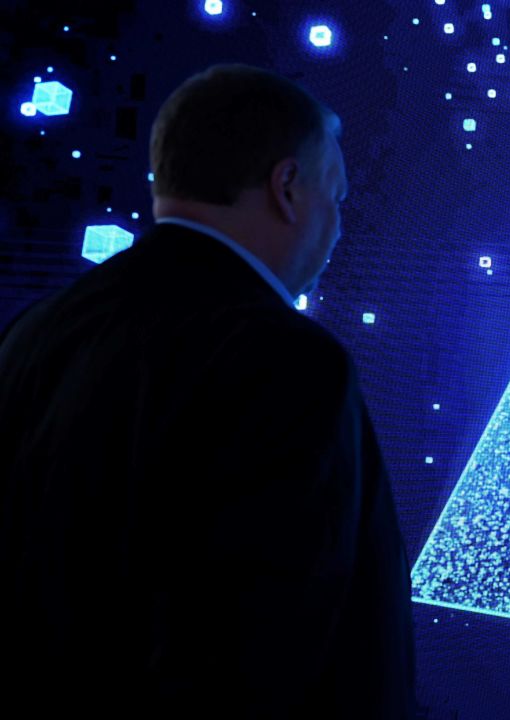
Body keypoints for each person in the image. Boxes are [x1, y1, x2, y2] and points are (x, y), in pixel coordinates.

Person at [0, 64, 415, 718]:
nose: (337, 230)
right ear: (287, 187)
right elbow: (262, 654)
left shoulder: (35, 331)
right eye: (336, 198)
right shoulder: (291, 362)